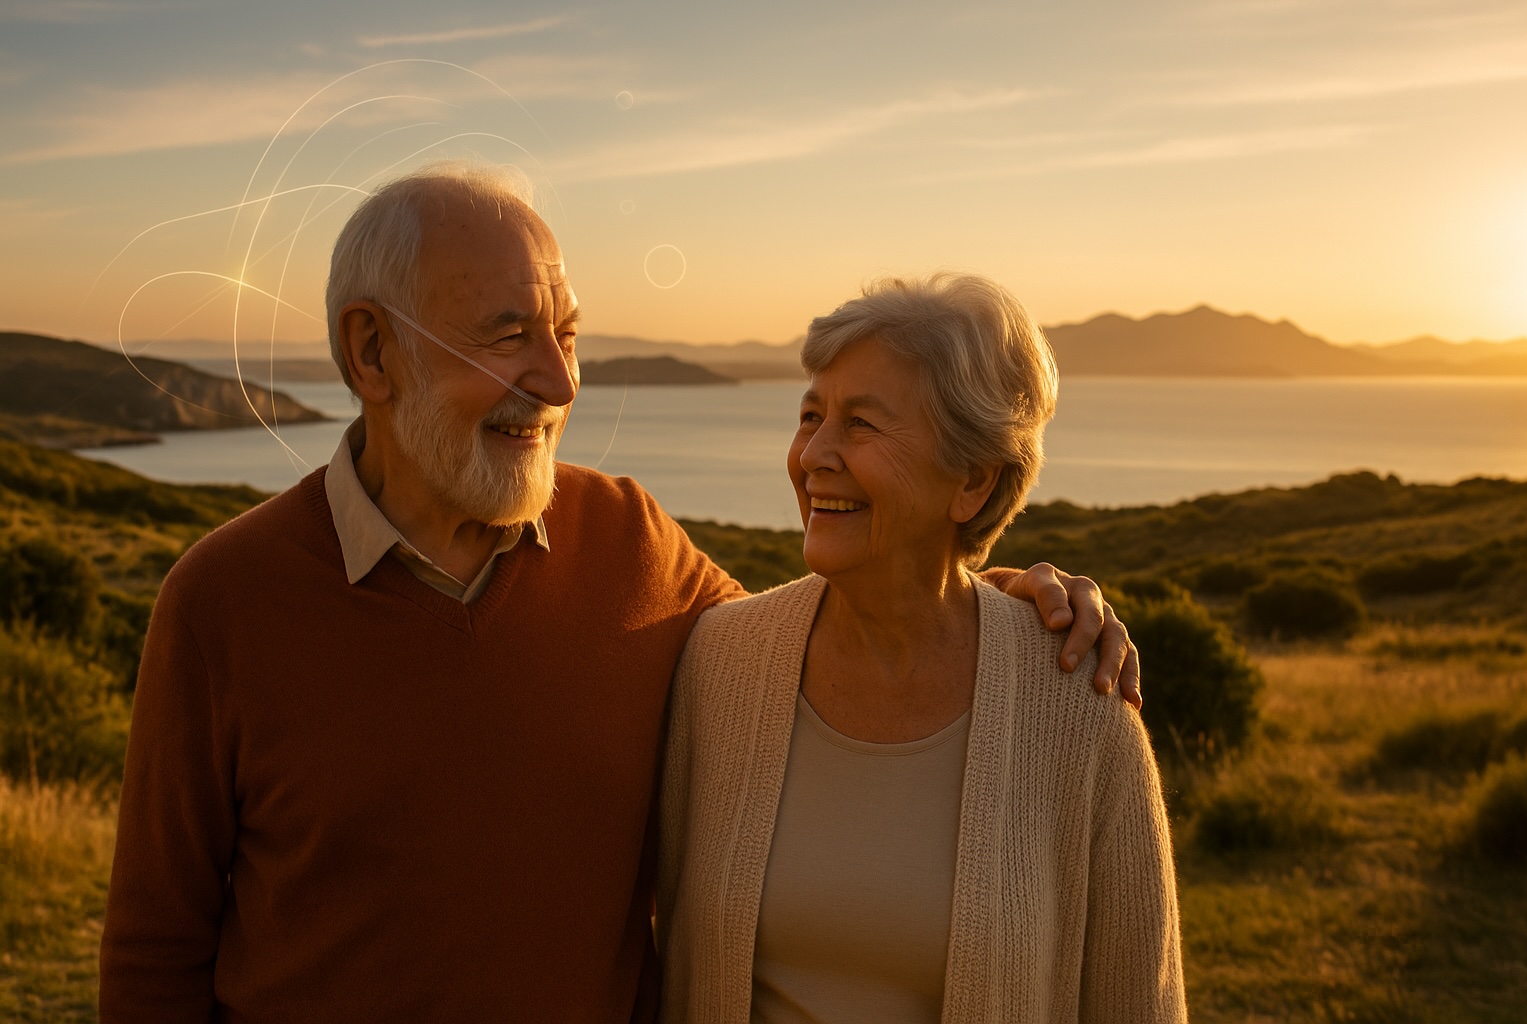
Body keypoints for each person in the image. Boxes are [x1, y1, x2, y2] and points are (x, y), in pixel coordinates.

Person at [98, 163, 1139, 1022]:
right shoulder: (223, 601)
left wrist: (989, 591)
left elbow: (829, 632)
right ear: (373, 352)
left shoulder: (632, 545)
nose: (560, 383)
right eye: (508, 334)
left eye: (570, 333)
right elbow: (154, 956)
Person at [657, 274, 1185, 1022]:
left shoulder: (1079, 702)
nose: (815, 455)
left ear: (972, 480)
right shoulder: (719, 663)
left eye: (862, 425)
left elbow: (1141, 1003)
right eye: (811, 415)